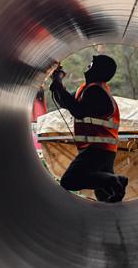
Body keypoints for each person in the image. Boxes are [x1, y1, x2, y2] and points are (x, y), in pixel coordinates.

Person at [50, 55, 128, 203]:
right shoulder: (86, 90)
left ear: (98, 70)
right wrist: (57, 84)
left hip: (96, 149)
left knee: (70, 181)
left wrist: (59, 83)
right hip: (103, 150)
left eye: (92, 64)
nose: (88, 66)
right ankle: (114, 219)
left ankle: (116, 180)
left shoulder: (96, 92)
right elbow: (66, 102)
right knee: (105, 198)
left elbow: (77, 111)